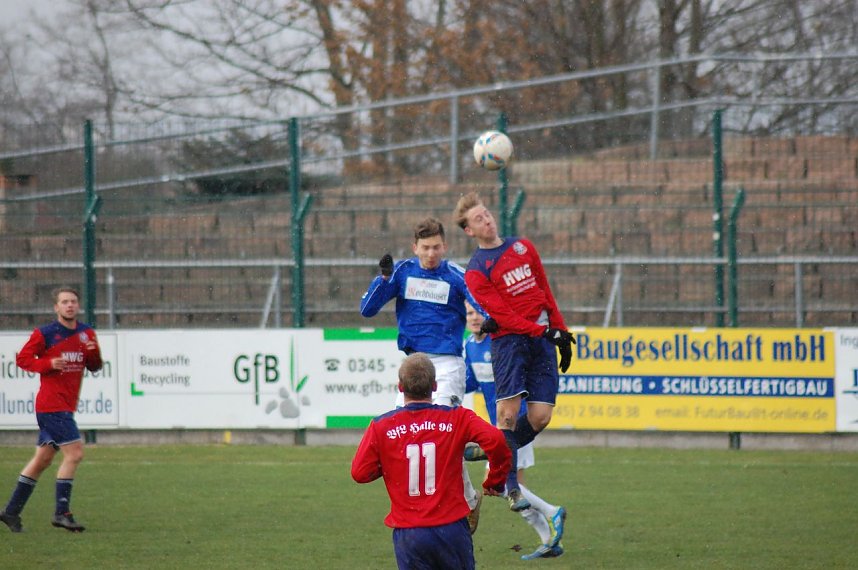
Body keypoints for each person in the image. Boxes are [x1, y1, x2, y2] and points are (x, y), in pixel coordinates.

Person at [359, 216, 485, 532]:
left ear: (445, 246)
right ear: (415, 247)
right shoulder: (401, 273)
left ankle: (467, 502)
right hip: (413, 365)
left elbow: (483, 305)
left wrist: (488, 322)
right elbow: (367, 310)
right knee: (407, 437)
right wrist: (384, 278)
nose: (431, 253)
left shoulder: (456, 276)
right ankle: (419, 505)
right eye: (425, 248)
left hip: (446, 364)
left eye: (436, 247)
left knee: (441, 431)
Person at [453, 191, 575, 512]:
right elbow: (504, 317)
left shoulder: (523, 247)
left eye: (488, 213)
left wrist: (560, 331)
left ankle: (493, 450)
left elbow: (545, 290)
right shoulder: (477, 271)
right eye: (478, 218)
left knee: (540, 418)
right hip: (510, 344)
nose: (488, 219)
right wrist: (543, 330)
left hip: (541, 339)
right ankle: (510, 489)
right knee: (507, 416)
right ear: (469, 231)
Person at [351, 353, 511, 570]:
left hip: (410, 534)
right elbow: (497, 441)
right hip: (452, 529)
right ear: (435, 386)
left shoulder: (382, 426)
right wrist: (495, 481)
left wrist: (392, 462)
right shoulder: (457, 417)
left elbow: (359, 473)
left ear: (400, 387)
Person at [464, 301, 566, 560]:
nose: (474, 318)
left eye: (478, 313)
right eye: (469, 314)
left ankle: (551, 514)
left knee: (503, 486)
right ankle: (549, 538)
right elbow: (471, 382)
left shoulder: (501, 342)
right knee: (508, 487)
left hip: (515, 425)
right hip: (497, 427)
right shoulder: (470, 347)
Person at [0, 286, 102, 533]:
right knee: (75, 454)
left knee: (43, 459)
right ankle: (62, 512)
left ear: (78, 306)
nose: (69, 305)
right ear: (56, 307)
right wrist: (47, 363)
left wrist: (93, 354)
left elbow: (95, 366)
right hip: (51, 405)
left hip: (65, 405)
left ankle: (11, 512)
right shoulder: (45, 333)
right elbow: (23, 359)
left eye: (73, 301)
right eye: (64, 302)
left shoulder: (86, 333)